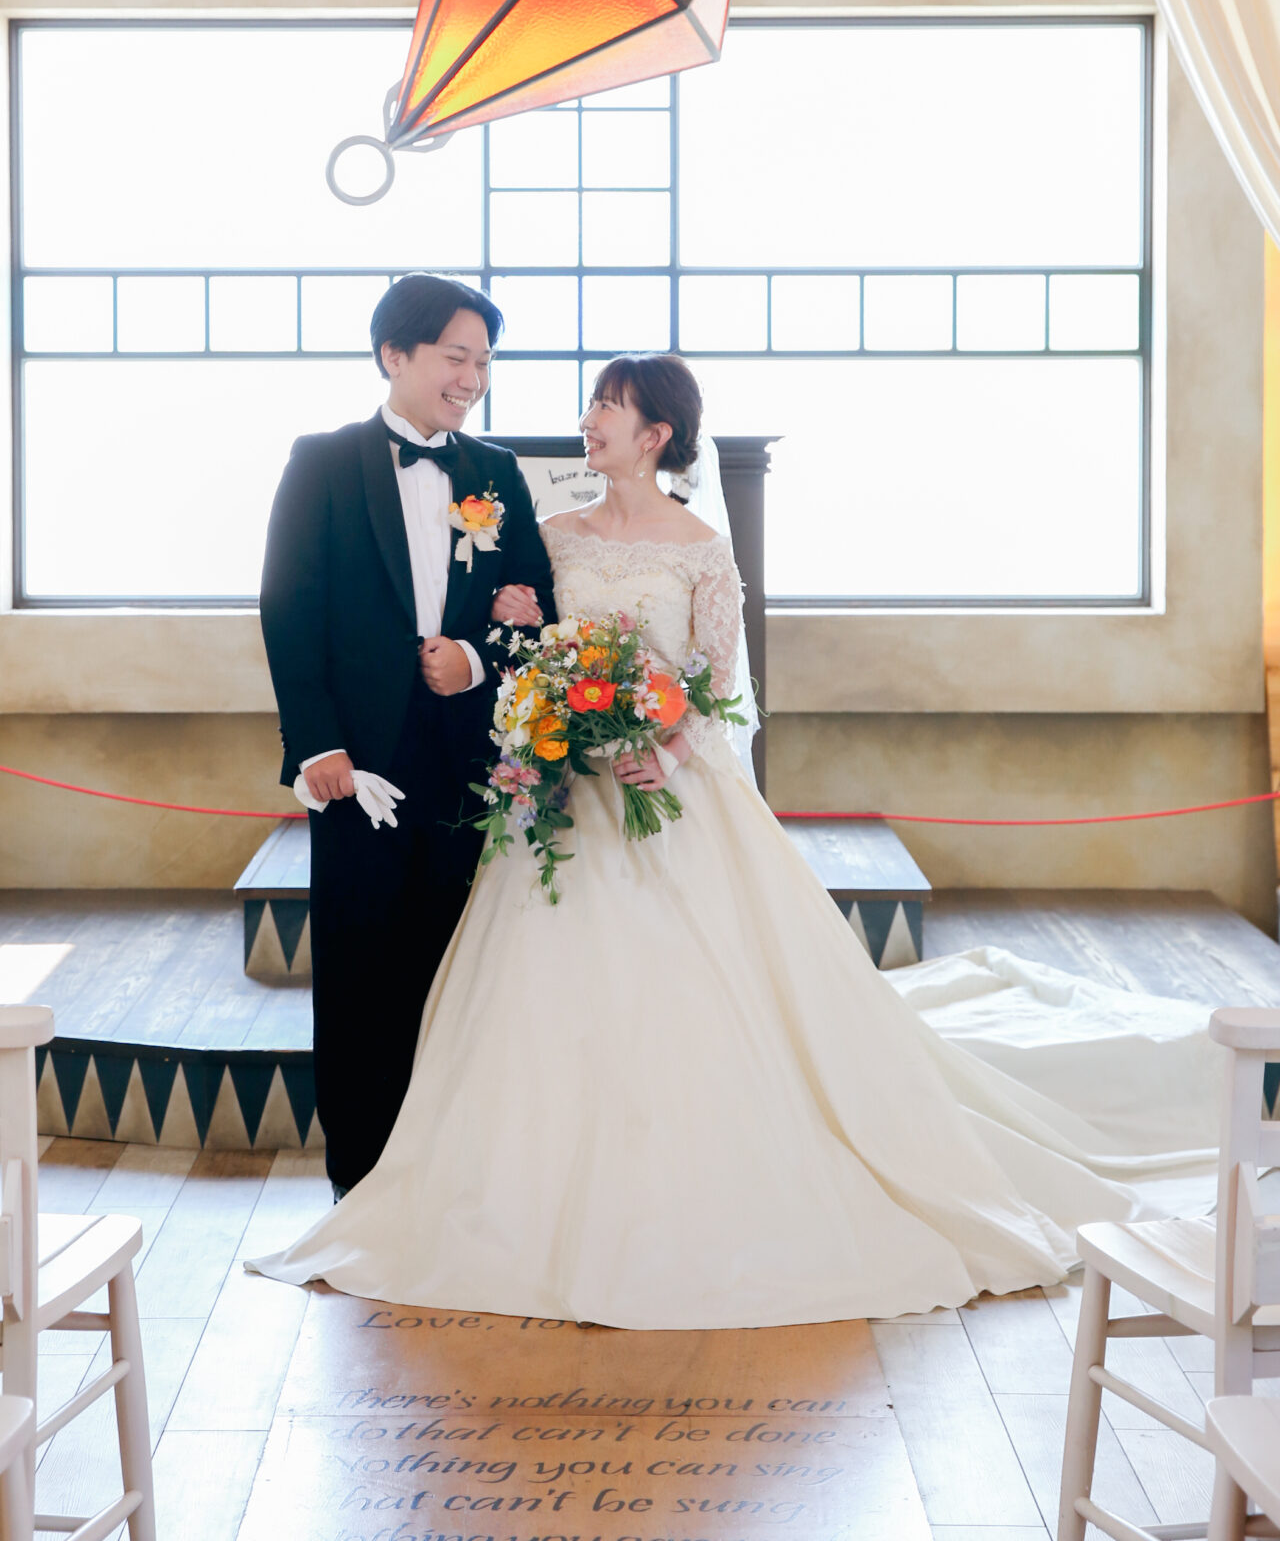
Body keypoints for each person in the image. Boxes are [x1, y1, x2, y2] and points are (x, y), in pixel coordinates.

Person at [250, 352, 1221, 1326]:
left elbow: (715, 687)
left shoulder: (702, 549)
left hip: (668, 798)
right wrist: (530, 664)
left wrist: (661, 752)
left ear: (654, 435)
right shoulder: (550, 537)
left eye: (607, 407)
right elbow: (525, 647)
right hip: (568, 800)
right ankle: (503, 1200)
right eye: (591, 403)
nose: (588, 421)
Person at [258, 273, 556, 1200]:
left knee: (458, 974)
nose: (472, 379)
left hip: (470, 767)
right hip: (361, 769)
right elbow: (289, 608)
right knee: (358, 977)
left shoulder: (496, 472)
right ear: (394, 354)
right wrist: (317, 747)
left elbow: (537, 610)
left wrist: (474, 657)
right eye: (455, 357)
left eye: (484, 362)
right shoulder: (322, 462)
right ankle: (360, 1192)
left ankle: (449, 1187)